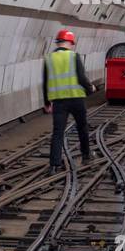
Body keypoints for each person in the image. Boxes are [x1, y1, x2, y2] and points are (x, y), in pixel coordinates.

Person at [42, 29, 94, 170]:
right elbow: (81, 77)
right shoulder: (73, 56)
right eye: (72, 43)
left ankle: (54, 164)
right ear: (69, 42)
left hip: (59, 102)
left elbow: (45, 82)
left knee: (58, 132)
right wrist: (90, 89)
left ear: (58, 42)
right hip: (76, 99)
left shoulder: (49, 59)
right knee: (82, 128)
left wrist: (47, 103)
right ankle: (86, 157)